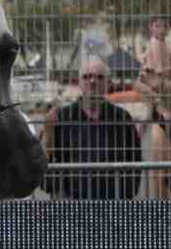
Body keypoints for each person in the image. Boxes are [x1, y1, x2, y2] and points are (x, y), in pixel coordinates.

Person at [42, 58, 142, 200]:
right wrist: (48, 135)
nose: (93, 81)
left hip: (112, 203)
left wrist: (126, 194)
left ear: (107, 83)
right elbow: (47, 175)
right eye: (87, 76)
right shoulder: (62, 118)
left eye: (99, 77)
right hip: (72, 204)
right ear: (79, 83)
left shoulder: (122, 118)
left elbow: (134, 160)